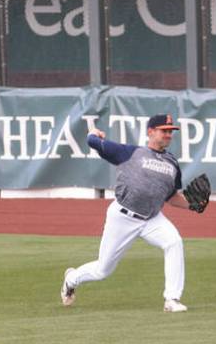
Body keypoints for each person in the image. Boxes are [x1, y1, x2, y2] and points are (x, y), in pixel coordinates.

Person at [61, 115, 194, 312]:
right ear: (150, 132)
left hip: (152, 219)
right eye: (164, 130)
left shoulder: (172, 163)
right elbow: (92, 141)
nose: (168, 135)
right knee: (102, 270)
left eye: (170, 131)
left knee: (174, 242)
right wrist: (93, 134)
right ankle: (71, 279)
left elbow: (171, 196)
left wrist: (192, 204)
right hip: (123, 216)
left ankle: (171, 299)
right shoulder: (129, 153)